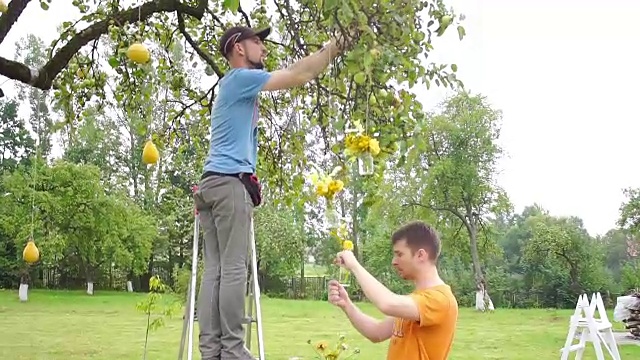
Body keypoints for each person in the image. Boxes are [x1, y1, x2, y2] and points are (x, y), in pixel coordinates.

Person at [192, 25, 353, 360]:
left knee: (216, 269)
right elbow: (300, 73)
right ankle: (233, 350)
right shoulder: (240, 78)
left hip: (210, 184)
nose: (263, 48)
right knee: (234, 268)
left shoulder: (229, 87)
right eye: (256, 41)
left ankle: (211, 352)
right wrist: (338, 43)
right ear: (238, 47)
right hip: (228, 183)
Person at [329, 221, 459, 360]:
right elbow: (376, 332)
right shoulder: (417, 300)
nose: (394, 261)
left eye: (399, 254)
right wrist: (347, 304)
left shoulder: (441, 300)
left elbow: (387, 304)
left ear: (421, 255)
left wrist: (354, 266)